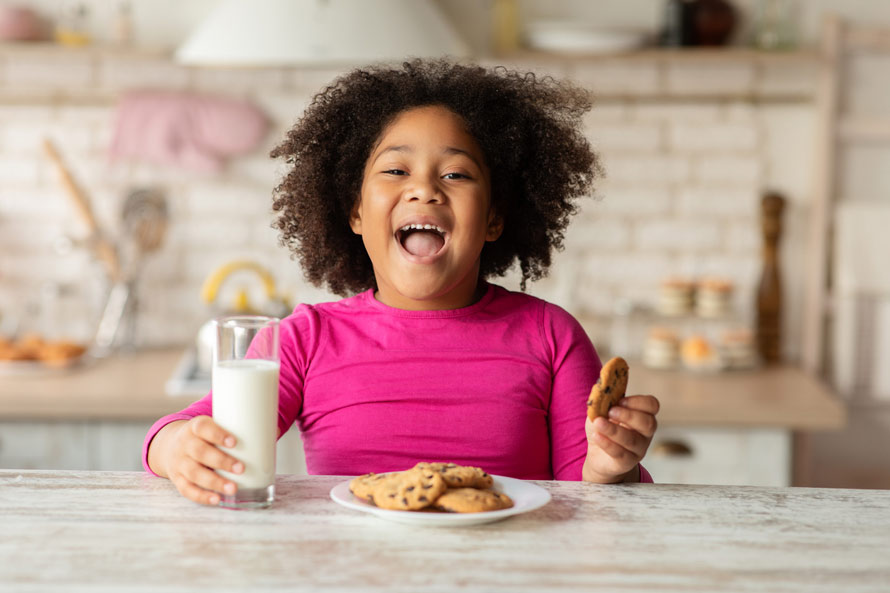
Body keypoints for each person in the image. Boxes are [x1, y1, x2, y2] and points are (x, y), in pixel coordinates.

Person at [143, 59, 660, 506]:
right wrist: (178, 449)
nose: (424, 190)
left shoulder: (552, 336)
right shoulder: (303, 340)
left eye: (455, 175)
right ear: (356, 212)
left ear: (495, 219)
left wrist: (613, 462)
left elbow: (595, 498)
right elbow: (180, 434)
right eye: (395, 171)